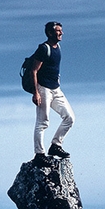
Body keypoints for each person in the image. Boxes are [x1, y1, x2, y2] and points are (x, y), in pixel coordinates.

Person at [31, 21, 75, 166]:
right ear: (50, 33)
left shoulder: (58, 47)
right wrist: (36, 92)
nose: (61, 33)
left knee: (69, 118)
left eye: (61, 30)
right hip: (43, 89)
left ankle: (55, 145)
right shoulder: (44, 49)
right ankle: (39, 154)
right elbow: (34, 70)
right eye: (58, 31)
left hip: (56, 89)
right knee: (43, 123)